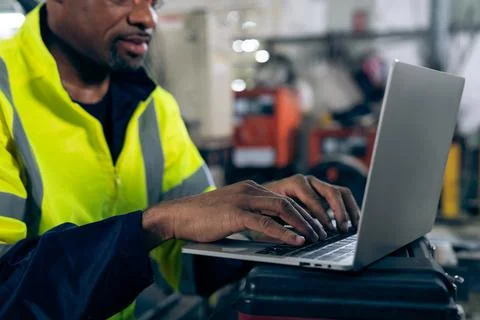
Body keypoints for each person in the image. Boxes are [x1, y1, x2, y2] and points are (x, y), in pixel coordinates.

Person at [0, 0, 360, 319]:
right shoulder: (5, 95)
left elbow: (191, 267)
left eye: (155, 1)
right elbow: (7, 293)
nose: (147, 17)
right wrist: (156, 223)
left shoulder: (155, 109)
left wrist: (261, 222)